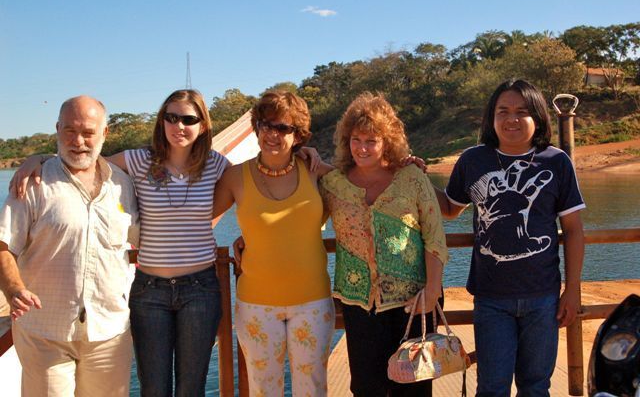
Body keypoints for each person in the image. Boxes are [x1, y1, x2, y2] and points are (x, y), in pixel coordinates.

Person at [11, 89, 228, 396]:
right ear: (161, 121)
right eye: (171, 117)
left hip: (200, 289)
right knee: (153, 387)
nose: (179, 126)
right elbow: (83, 161)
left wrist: (303, 154)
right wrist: (40, 158)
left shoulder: (217, 165)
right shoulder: (138, 161)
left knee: (191, 387)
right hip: (150, 290)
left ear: (203, 125)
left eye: (188, 119)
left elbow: (255, 182)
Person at [434, 79, 585, 396]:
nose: (511, 119)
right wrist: (415, 176)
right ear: (491, 117)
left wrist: (572, 290)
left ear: (538, 117)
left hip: (543, 298)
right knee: (492, 386)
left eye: (522, 111)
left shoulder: (556, 161)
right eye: (503, 111)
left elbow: (573, 230)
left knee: (535, 386)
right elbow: (449, 208)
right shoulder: (474, 160)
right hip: (491, 299)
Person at [0, 96, 139, 396]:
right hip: (45, 331)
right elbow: (4, 245)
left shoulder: (123, 185)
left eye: (88, 132)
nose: (78, 141)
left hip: (109, 330)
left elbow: (147, 238)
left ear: (105, 133)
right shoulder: (33, 182)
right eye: (69, 131)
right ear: (57, 129)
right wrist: (13, 290)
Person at [319, 92, 449, 397]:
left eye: (371, 140)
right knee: (367, 387)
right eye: (356, 139)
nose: (362, 147)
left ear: (386, 142)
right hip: (359, 303)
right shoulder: (333, 183)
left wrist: (432, 290)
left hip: (414, 302)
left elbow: (434, 236)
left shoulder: (411, 176)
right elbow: (300, 217)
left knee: (414, 387)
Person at [213, 91, 335, 397]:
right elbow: (197, 218)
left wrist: (406, 165)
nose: (273, 134)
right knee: (263, 389)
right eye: (266, 125)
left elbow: (365, 192)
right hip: (256, 305)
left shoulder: (316, 171)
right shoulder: (235, 177)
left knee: (313, 389)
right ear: (256, 128)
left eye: (283, 128)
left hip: (313, 302)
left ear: (298, 135)